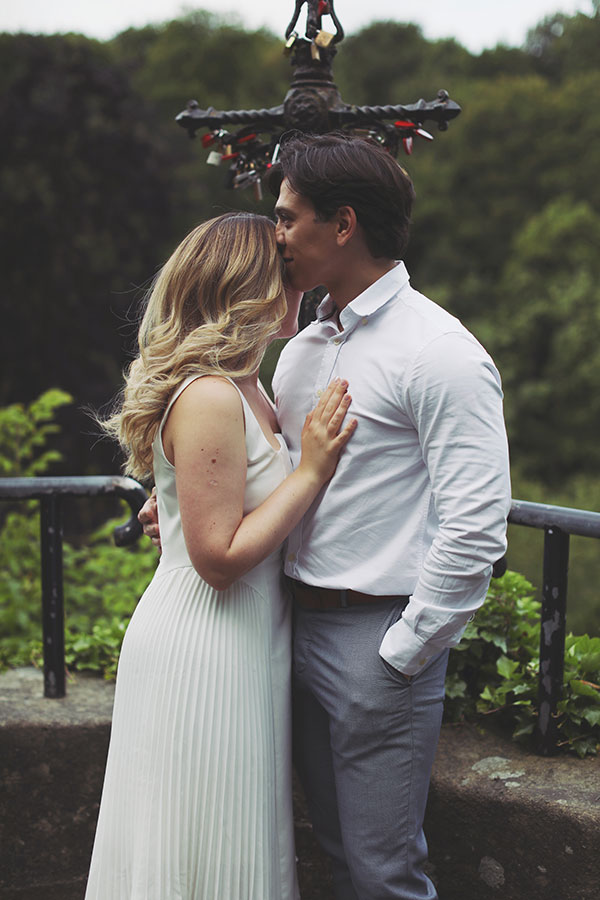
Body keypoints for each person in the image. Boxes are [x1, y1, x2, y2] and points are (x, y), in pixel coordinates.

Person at [141, 133, 512, 900]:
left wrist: (403, 653)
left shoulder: (439, 352)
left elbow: (476, 523)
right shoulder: (302, 348)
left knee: (383, 872)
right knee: (336, 857)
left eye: (286, 216)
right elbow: (254, 474)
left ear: (341, 225)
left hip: (376, 640)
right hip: (281, 627)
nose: (275, 235)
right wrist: (182, 509)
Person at [85, 212, 356, 900]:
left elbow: (217, 502)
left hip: (247, 633)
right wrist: (311, 471)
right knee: (199, 836)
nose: (301, 287)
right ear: (251, 289)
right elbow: (218, 557)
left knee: (235, 835)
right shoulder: (209, 394)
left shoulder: (250, 388)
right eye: (287, 275)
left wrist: (174, 509)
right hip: (203, 640)